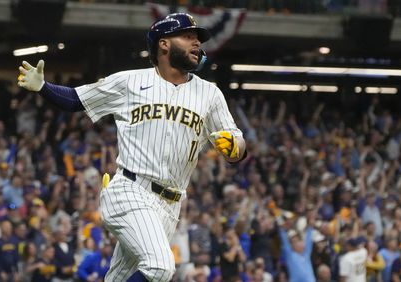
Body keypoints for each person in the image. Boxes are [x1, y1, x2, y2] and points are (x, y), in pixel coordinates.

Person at [17, 12, 246, 282]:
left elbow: (237, 143)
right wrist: (43, 86)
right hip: (131, 190)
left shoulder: (210, 93)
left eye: (198, 39)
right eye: (188, 37)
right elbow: (78, 99)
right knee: (160, 267)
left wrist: (235, 147)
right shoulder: (130, 82)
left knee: (119, 278)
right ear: (163, 43)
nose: (197, 44)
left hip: (170, 205)